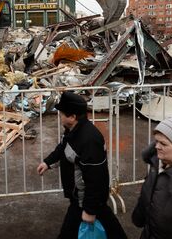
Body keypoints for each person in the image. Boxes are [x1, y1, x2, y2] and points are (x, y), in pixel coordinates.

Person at [37, 91, 127, 239]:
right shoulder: (72, 131)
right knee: (109, 226)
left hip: (84, 200)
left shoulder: (89, 141)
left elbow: (97, 179)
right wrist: (48, 162)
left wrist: (90, 210)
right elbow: (63, 148)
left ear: (72, 117)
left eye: (61, 114)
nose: (59, 117)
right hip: (80, 198)